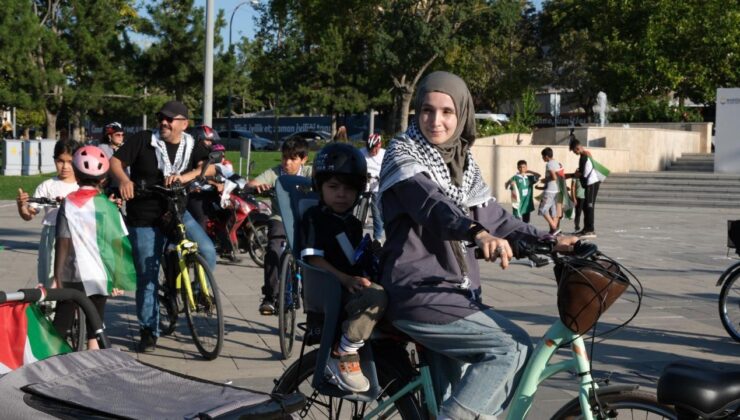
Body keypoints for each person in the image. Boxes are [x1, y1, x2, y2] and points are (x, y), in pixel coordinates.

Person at [378, 71, 579, 419]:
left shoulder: (463, 164)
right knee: (511, 346)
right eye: (427, 110)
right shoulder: (403, 153)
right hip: (418, 292)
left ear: (463, 115)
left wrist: (553, 240)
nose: (435, 121)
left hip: (456, 293)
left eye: (447, 112)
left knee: (448, 399)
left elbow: (499, 219)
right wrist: (476, 233)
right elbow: (433, 207)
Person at [110, 100, 217, 353]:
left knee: (208, 250)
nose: (164, 122)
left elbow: (209, 166)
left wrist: (185, 177)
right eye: (161, 118)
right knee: (147, 277)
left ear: (184, 124)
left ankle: (197, 291)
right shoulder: (144, 139)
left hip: (177, 212)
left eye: (170, 119)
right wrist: (125, 180)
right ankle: (148, 329)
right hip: (144, 215)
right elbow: (116, 162)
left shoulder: (191, 144)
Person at [301, 143, 387, 393]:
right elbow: (313, 259)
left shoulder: (352, 222)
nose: (341, 194)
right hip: (332, 290)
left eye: (349, 189)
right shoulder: (315, 218)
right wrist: (346, 279)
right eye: (333, 187)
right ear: (320, 187)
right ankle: (345, 351)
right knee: (376, 296)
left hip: (351, 285)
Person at [52, 145, 136, 350]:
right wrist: (116, 277)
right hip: (99, 274)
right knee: (95, 326)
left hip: (73, 275)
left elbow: (63, 241)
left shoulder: (68, 203)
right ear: (103, 180)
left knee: (60, 326)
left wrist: (57, 277)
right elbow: (117, 243)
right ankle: (93, 367)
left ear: (77, 175)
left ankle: (49, 365)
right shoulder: (108, 206)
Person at [248, 136, 311, 315]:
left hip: (305, 219)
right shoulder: (275, 173)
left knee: (312, 256)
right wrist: (257, 187)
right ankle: (270, 296)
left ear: (303, 159)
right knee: (274, 250)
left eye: (293, 159)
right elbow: (252, 183)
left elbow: (323, 180)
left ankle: (312, 300)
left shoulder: (308, 173)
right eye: (284, 157)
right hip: (280, 218)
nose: (287, 163)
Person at [16, 140, 80, 288]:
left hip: (77, 236)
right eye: (60, 161)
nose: (65, 166)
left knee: (75, 279)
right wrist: (21, 206)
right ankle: (49, 310)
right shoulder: (47, 186)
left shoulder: (82, 185)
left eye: (70, 162)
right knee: (50, 278)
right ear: (54, 160)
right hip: (51, 235)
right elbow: (28, 215)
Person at [569, 137, 607, 238]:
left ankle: (590, 229)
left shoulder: (584, 157)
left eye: (574, 151)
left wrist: (571, 175)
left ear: (577, 149)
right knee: (586, 206)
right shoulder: (585, 154)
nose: (575, 153)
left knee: (589, 206)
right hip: (589, 183)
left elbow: (581, 173)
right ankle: (586, 229)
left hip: (592, 183)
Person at [360, 133, 385, 242]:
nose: (372, 152)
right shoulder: (361, 153)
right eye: (369, 149)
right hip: (364, 184)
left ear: (379, 145)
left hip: (377, 186)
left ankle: (377, 239)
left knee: (376, 214)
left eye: (374, 149)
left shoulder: (385, 154)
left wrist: (381, 176)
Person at [538, 147, 566, 235]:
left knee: (543, 209)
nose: (542, 158)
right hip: (557, 190)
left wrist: (544, 180)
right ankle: (555, 230)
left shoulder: (549, 164)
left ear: (546, 156)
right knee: (554, 211)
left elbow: (554, 177)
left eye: (543, 157)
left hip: (550, 191)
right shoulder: (558, 163)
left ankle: (554, 227)